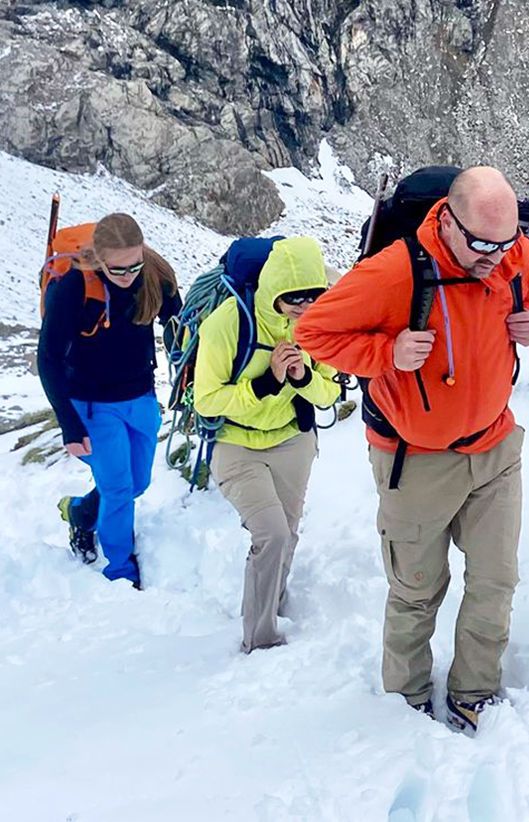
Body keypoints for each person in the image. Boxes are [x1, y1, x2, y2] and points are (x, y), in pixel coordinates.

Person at [295, 166, 529, 731]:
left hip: (495, 447)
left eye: (507, 242)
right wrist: (387, 352)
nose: (496, 255)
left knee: (496, 580)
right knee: (416, 591)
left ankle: (473, 690)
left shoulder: (512, 253)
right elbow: (314, 332)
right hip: (415, 460)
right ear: (447, 219)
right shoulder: (393, 272)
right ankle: (404, 699)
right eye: (482, 243)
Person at [191, 237, 343, 653]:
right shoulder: (227, 323)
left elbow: (329, 394)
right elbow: (205, 400)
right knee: (272, 534)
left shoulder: (319, 323)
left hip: (293, 441)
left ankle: (271, 599)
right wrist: (265, 383)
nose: (303, 305)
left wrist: (302, 379)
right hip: (236, 446)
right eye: (292, 297)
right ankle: (259, 640)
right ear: (272, 288)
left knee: (287, 534)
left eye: (312, 295)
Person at [37, 212, 181, 589]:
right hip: (92, 405)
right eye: (118, 270)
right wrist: (69, 423)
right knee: (118, 488)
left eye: (136, 264)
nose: (129, 275)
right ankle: (121, 570)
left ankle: (81, 512)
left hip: (141, 398)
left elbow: (176, 320)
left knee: (137, 483)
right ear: (99, 258)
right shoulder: (73, 287)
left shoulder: (153, 272)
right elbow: (48, 359)